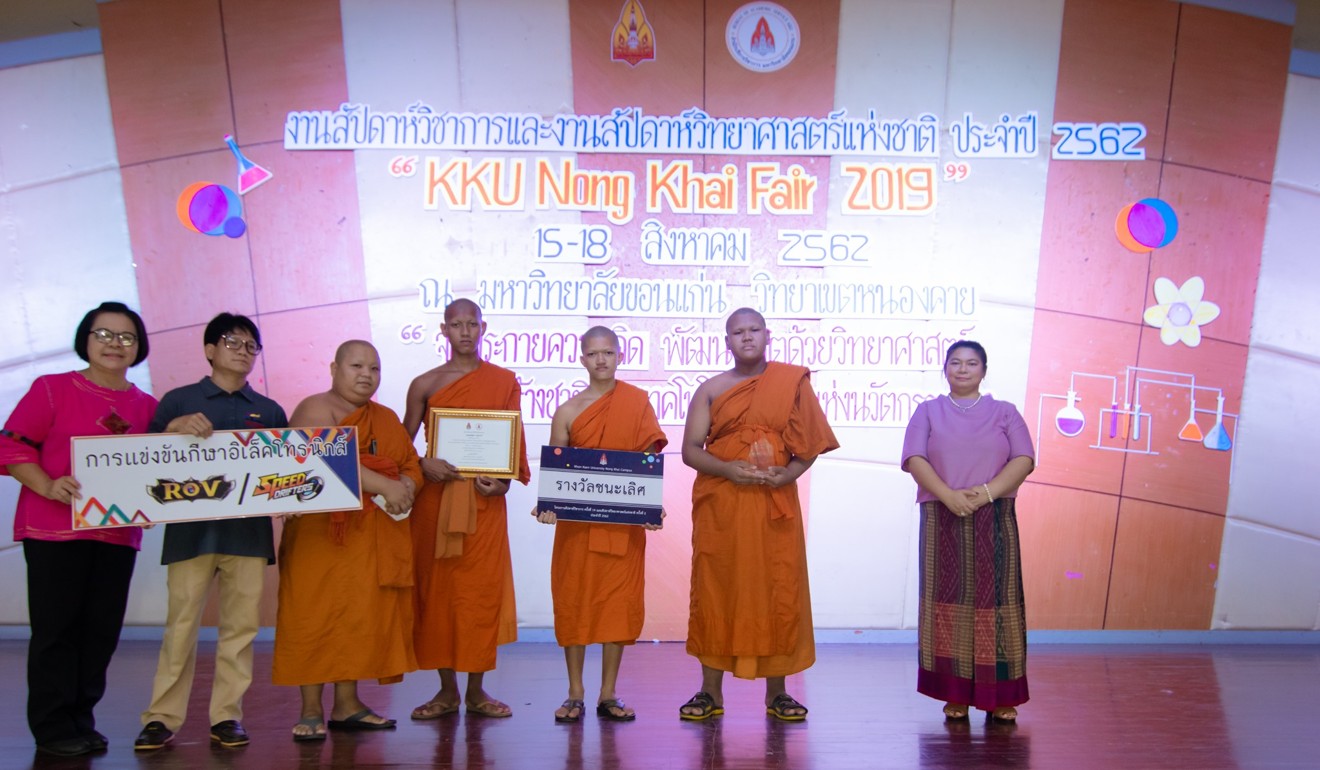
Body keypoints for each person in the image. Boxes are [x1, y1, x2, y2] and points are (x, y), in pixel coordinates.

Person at [0, 301, 158, 757]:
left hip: (116, 535)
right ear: (85, 340)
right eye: (104, 334)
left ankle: (80, 719)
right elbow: (12, 447)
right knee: (57, 630)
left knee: (101, 632)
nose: (114, 344)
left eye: (126, 337)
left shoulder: (147, 407)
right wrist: (47, 485)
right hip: (53, 531)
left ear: (138, 347)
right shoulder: (51, 389)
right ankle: (51, 728)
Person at [134, 313, 287, 751]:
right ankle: (160, 718)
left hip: (249, 538)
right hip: (189, 534)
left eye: (250, 345)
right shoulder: (178, 401)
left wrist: (295, 501)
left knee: (240, 629)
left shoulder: (270, 410)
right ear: (209, 350)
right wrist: (171, 431)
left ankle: (227, 716)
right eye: (232, 342)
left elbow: (288, 473)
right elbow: (139, 463)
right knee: (180, 626)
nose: (242, 351)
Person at [678, 308, 838, 722]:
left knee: (777, 588)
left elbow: (810, 447)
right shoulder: (711, 389)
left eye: (754, 330)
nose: (746, 337)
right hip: (723, 505)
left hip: (773, 506)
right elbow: (691, 450)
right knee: (718, 587)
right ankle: (709, 691)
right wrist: (728, 469)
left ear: (767, 335)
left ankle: (779, 693)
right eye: (737, 332)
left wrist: (788, 475)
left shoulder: (790, 383)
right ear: (726, 340)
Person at [272, 340, 422, 740]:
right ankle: (309, 710)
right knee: (312, 615)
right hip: (319, 537)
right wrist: (385, 486)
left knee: (355, 617)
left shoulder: (385, 417)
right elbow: (315, 459)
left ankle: (347, 703)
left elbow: (410, 463)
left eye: (374, 368)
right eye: (357, 365)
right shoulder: (315, 408)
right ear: (334, 368)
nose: (366, 375)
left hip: (365, 538)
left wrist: (405, 483)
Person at [531, 326, 667, 723]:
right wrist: (548, 507)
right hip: (575, 529)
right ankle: (575, 692)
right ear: (582, 358)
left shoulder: (636, 403)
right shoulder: (568, 411)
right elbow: (557, 471)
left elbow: (646, 464)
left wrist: (650, 509)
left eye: (608, 352)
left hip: (622, 528)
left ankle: (609, 693)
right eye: (593, 354)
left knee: (616, 607)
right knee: (575, 604)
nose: (601, 360)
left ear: (620, 355)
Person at [403, 298, 529, 720]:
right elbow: (401, 447)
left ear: (483, 327)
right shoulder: (425, 383)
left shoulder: (503, 380)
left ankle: (477, 691)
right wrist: (423, 463)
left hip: (483, 502)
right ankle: (445, 691)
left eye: (471, 324)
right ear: (444, 330)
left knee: (479, 596)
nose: (464, 331)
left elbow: (511, 441)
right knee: (439, 595)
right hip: (435, 501)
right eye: (455, 324)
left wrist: (504, 482)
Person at [900, 340, 1035, 722]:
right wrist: (948, 496)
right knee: (947, 607)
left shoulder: (1005, 412)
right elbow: (914, 458)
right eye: (955, 363)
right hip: (942, 516)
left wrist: (985, 495)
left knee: (999, 607)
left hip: (995, 516)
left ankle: (1001, 695)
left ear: (984, 370)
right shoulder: (928, 411)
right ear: (945, 369)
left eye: (971, 363)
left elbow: (1024, 459)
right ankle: (954, 693)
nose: (962, 369)